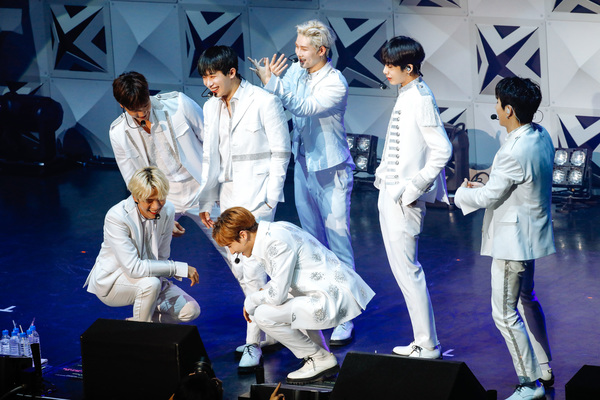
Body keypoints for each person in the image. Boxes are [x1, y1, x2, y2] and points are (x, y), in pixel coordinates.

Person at [248, 19, 357, 346]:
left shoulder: (335, 82)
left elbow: (305, 106)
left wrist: (275, 84)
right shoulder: (297, 71)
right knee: (310, 241)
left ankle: (346, 316)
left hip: (332, 171)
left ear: (321, 50)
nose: (297, 53)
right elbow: (280, 101)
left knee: (338, 241)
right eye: (296, 47)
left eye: (303, 48)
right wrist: (271, 82)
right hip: (305, 166)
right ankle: (319, 305)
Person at [454, 77, 554, 400]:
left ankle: (529, 383)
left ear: (509, 110)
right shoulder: (540, 135)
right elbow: (510, 186)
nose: (495, 108)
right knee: (527, 299)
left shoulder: (513, 150)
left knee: (504, 313)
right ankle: (543, 366)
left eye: (498, 103)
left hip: (513, 242)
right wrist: (484, 188)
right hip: (529, 236)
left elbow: (490, 196)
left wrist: (462, 194)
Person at [196, 45, 291, 371]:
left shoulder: (264, 101)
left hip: (257, 199)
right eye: (205, 77)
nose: (209, 83)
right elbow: (210, 157)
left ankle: (253, 342)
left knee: (251, 269)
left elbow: (281, 152)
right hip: (227, 197)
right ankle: (270, 330)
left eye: (213, 75)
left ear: (231, 72)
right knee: (241, 269)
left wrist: (270, 199)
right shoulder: (210, 107)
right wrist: (206, 199)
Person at [212, 207, 375, 384]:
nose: (232, 252)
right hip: (324, 292)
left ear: (243, 235)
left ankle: (320, 359)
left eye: (230, 245)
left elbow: (277, 295)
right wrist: (261, 293)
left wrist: (250, 300)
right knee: (285, 301)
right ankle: (321, 357)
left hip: (331, 297)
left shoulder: (275, 243)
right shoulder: (274, 231)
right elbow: (284, 280)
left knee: (262, 314)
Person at [376, 36, 452, 359]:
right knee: (403, 273)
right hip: (390, 193)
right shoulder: (408, 92)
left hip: (403, 199)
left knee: (409, 272)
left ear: (408, 67)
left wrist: (412, 189)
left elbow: (442, 150)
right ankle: (422, 340)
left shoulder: (420, 98)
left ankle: (428, 343)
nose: (385, 71)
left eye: (390, 66)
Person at [109, 71, 228, 255]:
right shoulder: (118, 133)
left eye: (145, 106)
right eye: (135, 111)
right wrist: (155, 212)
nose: (142, 113)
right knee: (145, 252)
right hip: (162, 197)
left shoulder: (179, 104)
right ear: (122, 105)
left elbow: (213, 143)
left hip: (200, 187)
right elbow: (133, 179)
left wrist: (218, 186)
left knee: (231, 244)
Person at [84, 167, 200, 323]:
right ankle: (141, 333)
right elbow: (133, 268)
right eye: (149, 200)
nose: (156, 206)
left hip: (151, 278)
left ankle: (135, 326)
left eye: (161, 198)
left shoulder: (167, 210)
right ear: (136, 197)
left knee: (190, 310)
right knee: (150, 285)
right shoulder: (117, 217)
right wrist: (178, 268)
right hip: (114, 281)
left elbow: (162, 256)